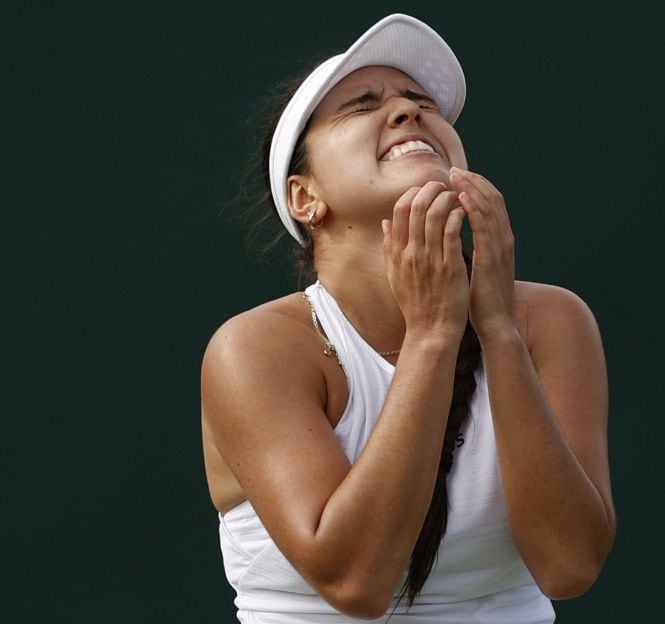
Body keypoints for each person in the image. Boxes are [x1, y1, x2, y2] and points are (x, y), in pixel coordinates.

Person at [200, 14, 615, 623]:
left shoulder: (550, 320)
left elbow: (569, 566)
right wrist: (432, 337)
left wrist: (498, 332)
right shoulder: (256, 349)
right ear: (304, 197)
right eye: (361, 104)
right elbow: (356, 583)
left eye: (421, 103)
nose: (407, 112)